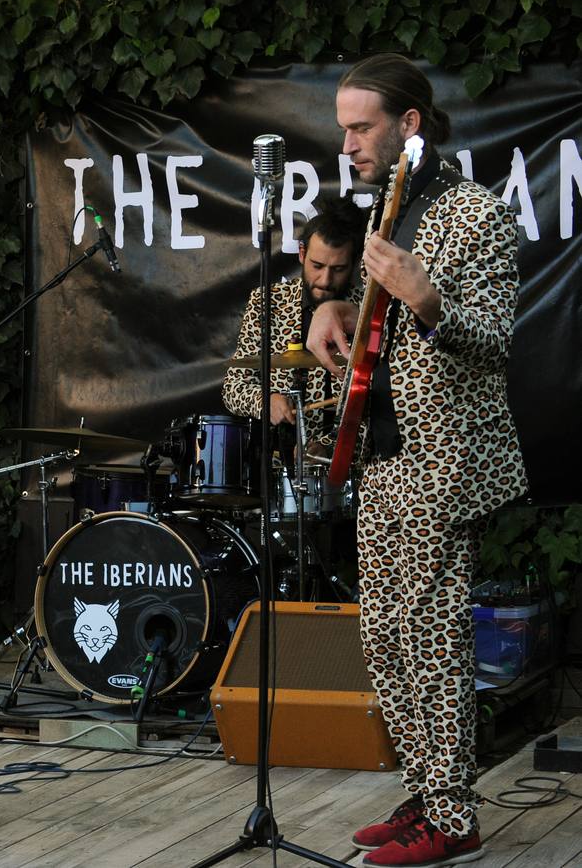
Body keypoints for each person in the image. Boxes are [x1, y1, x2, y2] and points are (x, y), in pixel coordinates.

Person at [307, 53, 526, 868]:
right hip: (384, 455)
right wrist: (336, 308)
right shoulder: (388, 211)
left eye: (360, 128)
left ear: (409, 125)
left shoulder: (474, 213)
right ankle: (428, 792)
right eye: (343, 130)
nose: (348, 145)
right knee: (386, 639)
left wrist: (427, 297)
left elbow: (494, 340)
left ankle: (455, 817)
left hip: (442, 461)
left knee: (433, 639)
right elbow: (380, 326)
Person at [222, 193, 365, 442]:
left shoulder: (364, 310)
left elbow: (377, 403)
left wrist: (327, 446)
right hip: (280, 458)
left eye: (338, 269)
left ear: (353, 264)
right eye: (317, 266)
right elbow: (233, 387)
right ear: (302, 253)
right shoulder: (268, 302)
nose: (325, 281)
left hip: (346, 456)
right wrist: (265, 401)